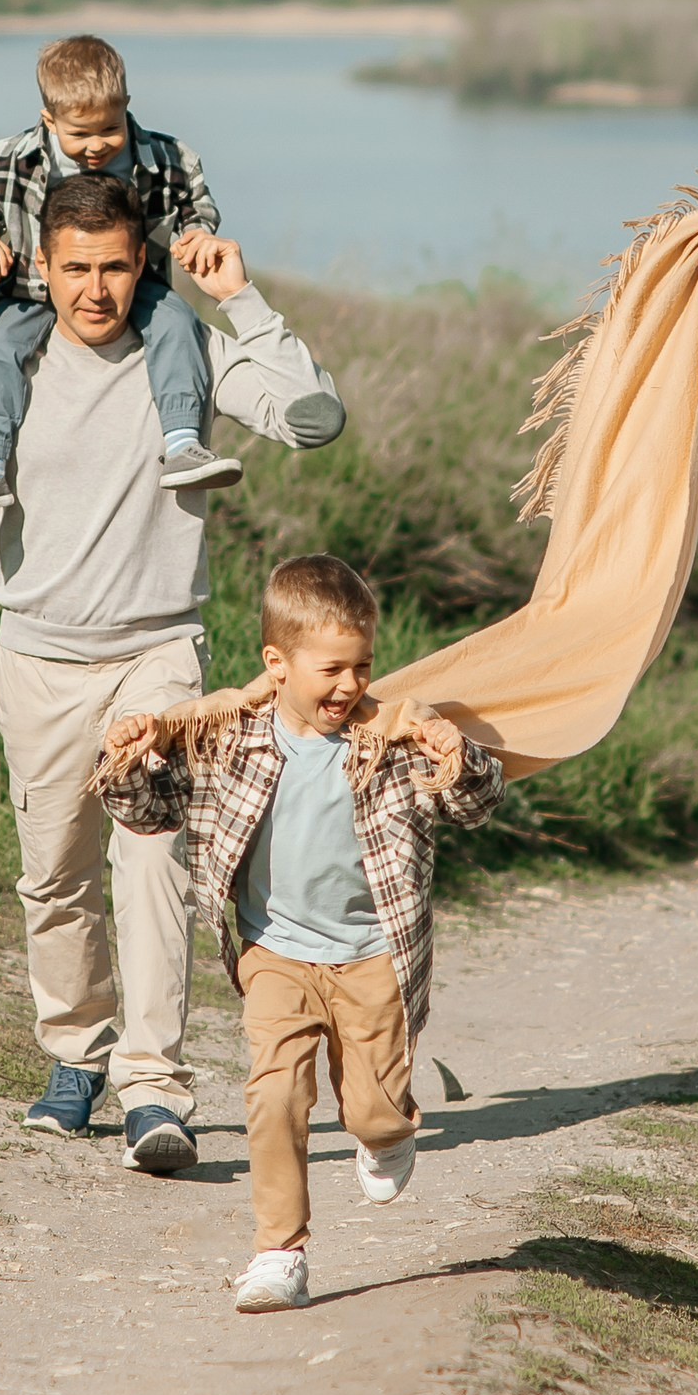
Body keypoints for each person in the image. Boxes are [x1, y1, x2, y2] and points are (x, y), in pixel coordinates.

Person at [0, 171, 348, 1175]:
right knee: (55, 875)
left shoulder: (188, 355)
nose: (95, 289)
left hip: (159, 653)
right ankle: (74, 1056)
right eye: (75, 268)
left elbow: (311, 419)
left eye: (116, 267)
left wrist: (239, 297)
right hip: (36, 656)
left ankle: (153, 1087)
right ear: (43, 267)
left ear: (143, 265)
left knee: (154, 861)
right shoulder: (7, 360)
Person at [96, 556, 505, 1313]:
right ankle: (278, 1252)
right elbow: (152, 812)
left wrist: (458, 758)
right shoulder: (227, 738)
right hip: (274, 951)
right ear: (276, 666)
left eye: (363, 667)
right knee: (274, 1091)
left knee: (372, 1110)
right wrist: (124, 762)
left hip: (371, 956)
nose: (349, 686)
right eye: (332, 670)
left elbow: (473, 807)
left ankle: (386, 1131)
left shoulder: (393, 741)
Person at [0, 33, 240, 519]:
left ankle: (184, 441)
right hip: (30, 289)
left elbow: (194, 205)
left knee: (178, 325)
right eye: (79, 135)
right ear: (49, 120)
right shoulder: (16, 159)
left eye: (110, 129)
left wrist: (199, 234)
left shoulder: (165, 159)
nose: (96, 146)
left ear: (126, 108)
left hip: (131, 284)